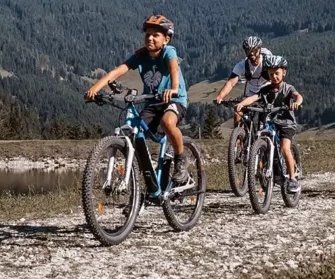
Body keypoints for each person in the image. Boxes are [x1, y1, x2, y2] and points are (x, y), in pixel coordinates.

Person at [84, 15, 190, 184]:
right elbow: (117, 71)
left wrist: (174, 88)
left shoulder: (168, 52)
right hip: (153, 102)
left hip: (174, 100)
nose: (150, 38)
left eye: (156, 35)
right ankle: (143, 175)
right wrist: (95, 89)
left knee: (168, 123)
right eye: (147, 34)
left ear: (166, 39)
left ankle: (181, 159)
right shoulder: (140, 56)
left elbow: (173, 67)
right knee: (134, 132)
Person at [235, 55, 303, 193]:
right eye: (271, 74)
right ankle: (268, 168)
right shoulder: (265, 90)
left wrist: (296, 103)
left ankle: (292, 179)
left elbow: (298, 96)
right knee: (261, 137)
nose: (274, 77)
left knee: (285, 148)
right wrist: (242, 103)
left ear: (284, 72)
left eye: (277, 73)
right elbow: (254, 97)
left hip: (286, 124)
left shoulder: (287, 88)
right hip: (270, 122)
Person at [213, 36, 273, 120]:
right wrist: (220, 97)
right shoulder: (242, 65)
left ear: (259, 50)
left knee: (268, 118)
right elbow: (230, 83)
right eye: (248, 50)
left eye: (254, 50)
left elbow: (278, 74)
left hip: (268, 92)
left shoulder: (267, 60)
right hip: (251, 93)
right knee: (238, 113)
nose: (251, 53)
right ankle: (240, 132)